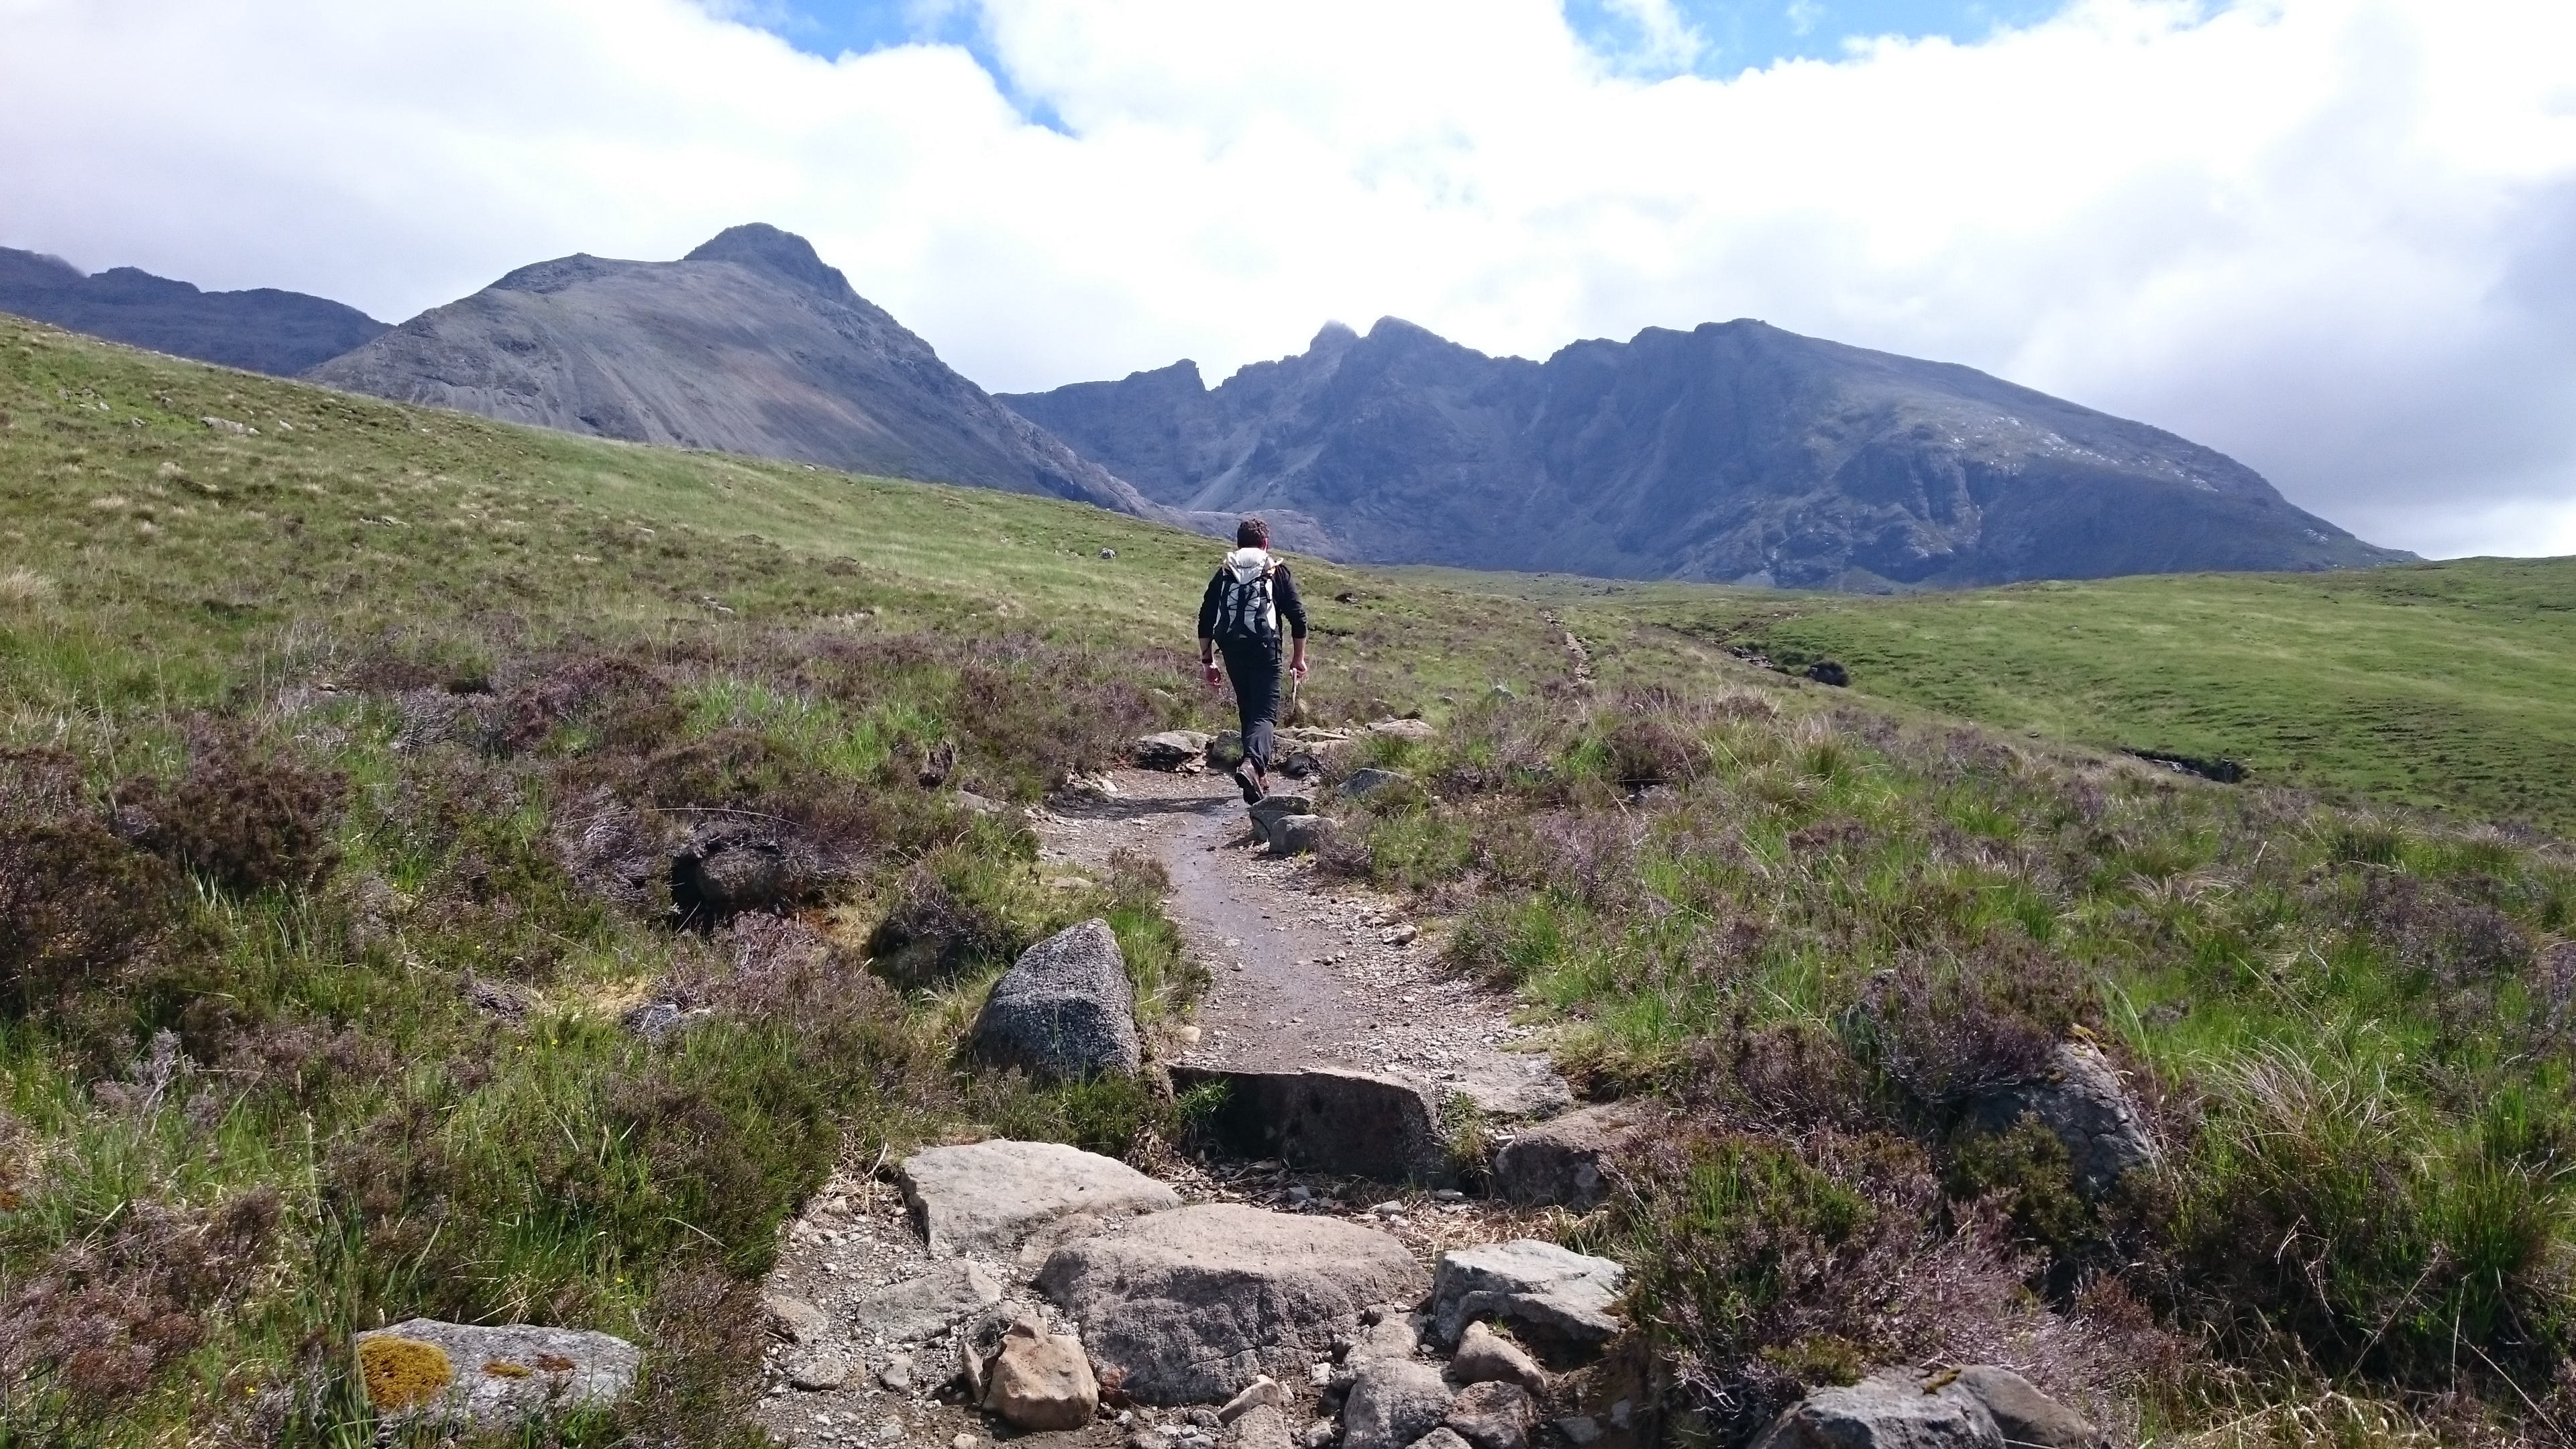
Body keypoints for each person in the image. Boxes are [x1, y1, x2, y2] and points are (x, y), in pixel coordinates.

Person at [1197, 517, 1308, 804]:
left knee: (1248, 707)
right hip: (1265, 647)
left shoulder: (1224, 572)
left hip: (1231, 646)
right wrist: (1299, 659)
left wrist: (1208, 660)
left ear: (1238, 543)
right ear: (1266, 543)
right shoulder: (1276, 571)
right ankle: (1253, 765)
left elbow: (1206, 618)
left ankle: (1256, 777)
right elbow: (1298, 618)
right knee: (1266, 713)